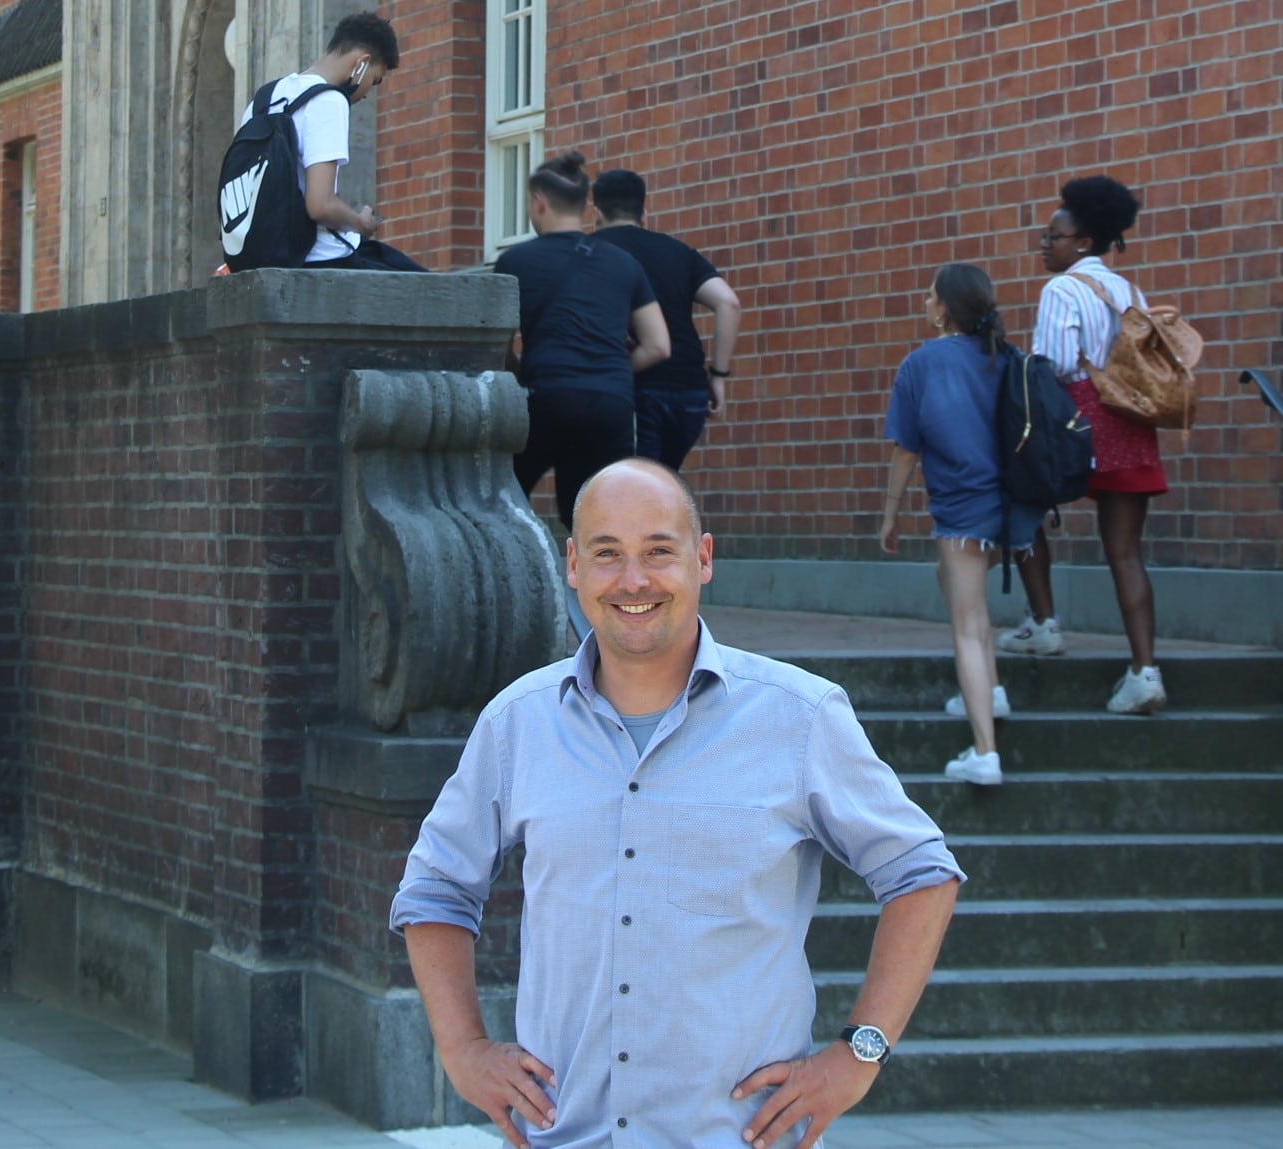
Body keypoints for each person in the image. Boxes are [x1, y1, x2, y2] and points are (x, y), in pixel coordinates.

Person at [391, 458, 963, 1149]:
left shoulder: (799, 716)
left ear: (704, 557)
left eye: (659, 551)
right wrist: (462, 1049)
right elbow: (435, 886)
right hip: (566, 1136)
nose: (634, 580)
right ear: (572, 565)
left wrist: (859, 1052)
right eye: (607, 554)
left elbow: (921, 874)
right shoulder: (517, 723)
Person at [1002, 176, 1167, 715]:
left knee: (1021, 507)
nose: (1044, 244)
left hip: (1072, 424)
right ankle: (1144, 671)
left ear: (1084, 242)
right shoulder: (1132, 293)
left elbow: (1053, 365)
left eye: (1054, 236)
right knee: (1125, 552)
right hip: (1130, 425)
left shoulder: (1063, 289)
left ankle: (1044, 621)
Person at [879, 265, 1047, 787]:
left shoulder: (921, 364)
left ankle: (984, 752)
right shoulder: (1007, 357)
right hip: (1014, 509)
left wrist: (890, 513)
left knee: (968, 627)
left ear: (944, 307)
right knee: (955, 587)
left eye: (930, 295)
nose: (925, 301)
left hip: (963, 510)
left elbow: (906, 452)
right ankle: (987, 691)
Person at [496, 153, 669, 529]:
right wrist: (616, 370)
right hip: (611, 403)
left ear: (539, 202)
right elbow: (658, 345)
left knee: (502, 496)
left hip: (547, 396)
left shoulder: (515, 262)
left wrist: (521, 372)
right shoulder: (623, 262)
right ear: (585, 206)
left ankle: (514, 581)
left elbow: (498, 347)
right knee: (600, 519)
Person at [240, 13, 426, 272]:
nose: (367, 94)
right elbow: (320, 205)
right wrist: (361, 224)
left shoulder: (262, 100)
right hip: (319, 256)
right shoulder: (328, 100)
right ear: (362, 63)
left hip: (260, 253)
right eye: (374, 81)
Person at [590, 169, 743, 470]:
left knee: (635, 492)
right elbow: (729, 303)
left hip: (633, 391)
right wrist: (719, 376)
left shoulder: (591, 253)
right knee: (663, 487)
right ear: (644, 213)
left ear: (596, 213)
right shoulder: (678, 252)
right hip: (689, 392)